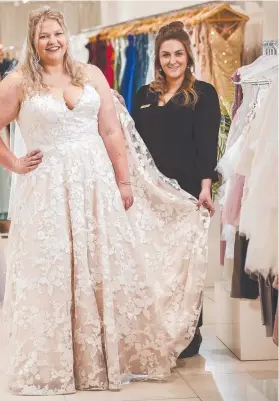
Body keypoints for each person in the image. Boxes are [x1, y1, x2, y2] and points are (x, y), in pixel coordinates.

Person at [0, 7, 210, 396]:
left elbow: (111, 130)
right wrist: (14, 162)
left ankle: (101, 359)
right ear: (34, 41)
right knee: (55, 268)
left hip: (95, 183)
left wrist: (123, 180)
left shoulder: (91, 75)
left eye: (57, 34)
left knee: (99, 265)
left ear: (66, 37)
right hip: (48, 189)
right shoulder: (19, 82)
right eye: (44, 35)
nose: (52, 41)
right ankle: (59, 362)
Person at [131, 21, 220, 358]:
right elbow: (133, 143)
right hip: (150, 193)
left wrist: (205, 188)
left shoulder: (204, 94)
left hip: (185, 193)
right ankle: (158, 330)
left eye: (178, 54)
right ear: (157, 58)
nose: (172, 61)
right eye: (166, 55)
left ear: (188, 56)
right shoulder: (143, 95)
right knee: (155, 264)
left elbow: (207, 145)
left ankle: (189, 336)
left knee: (185, 266)